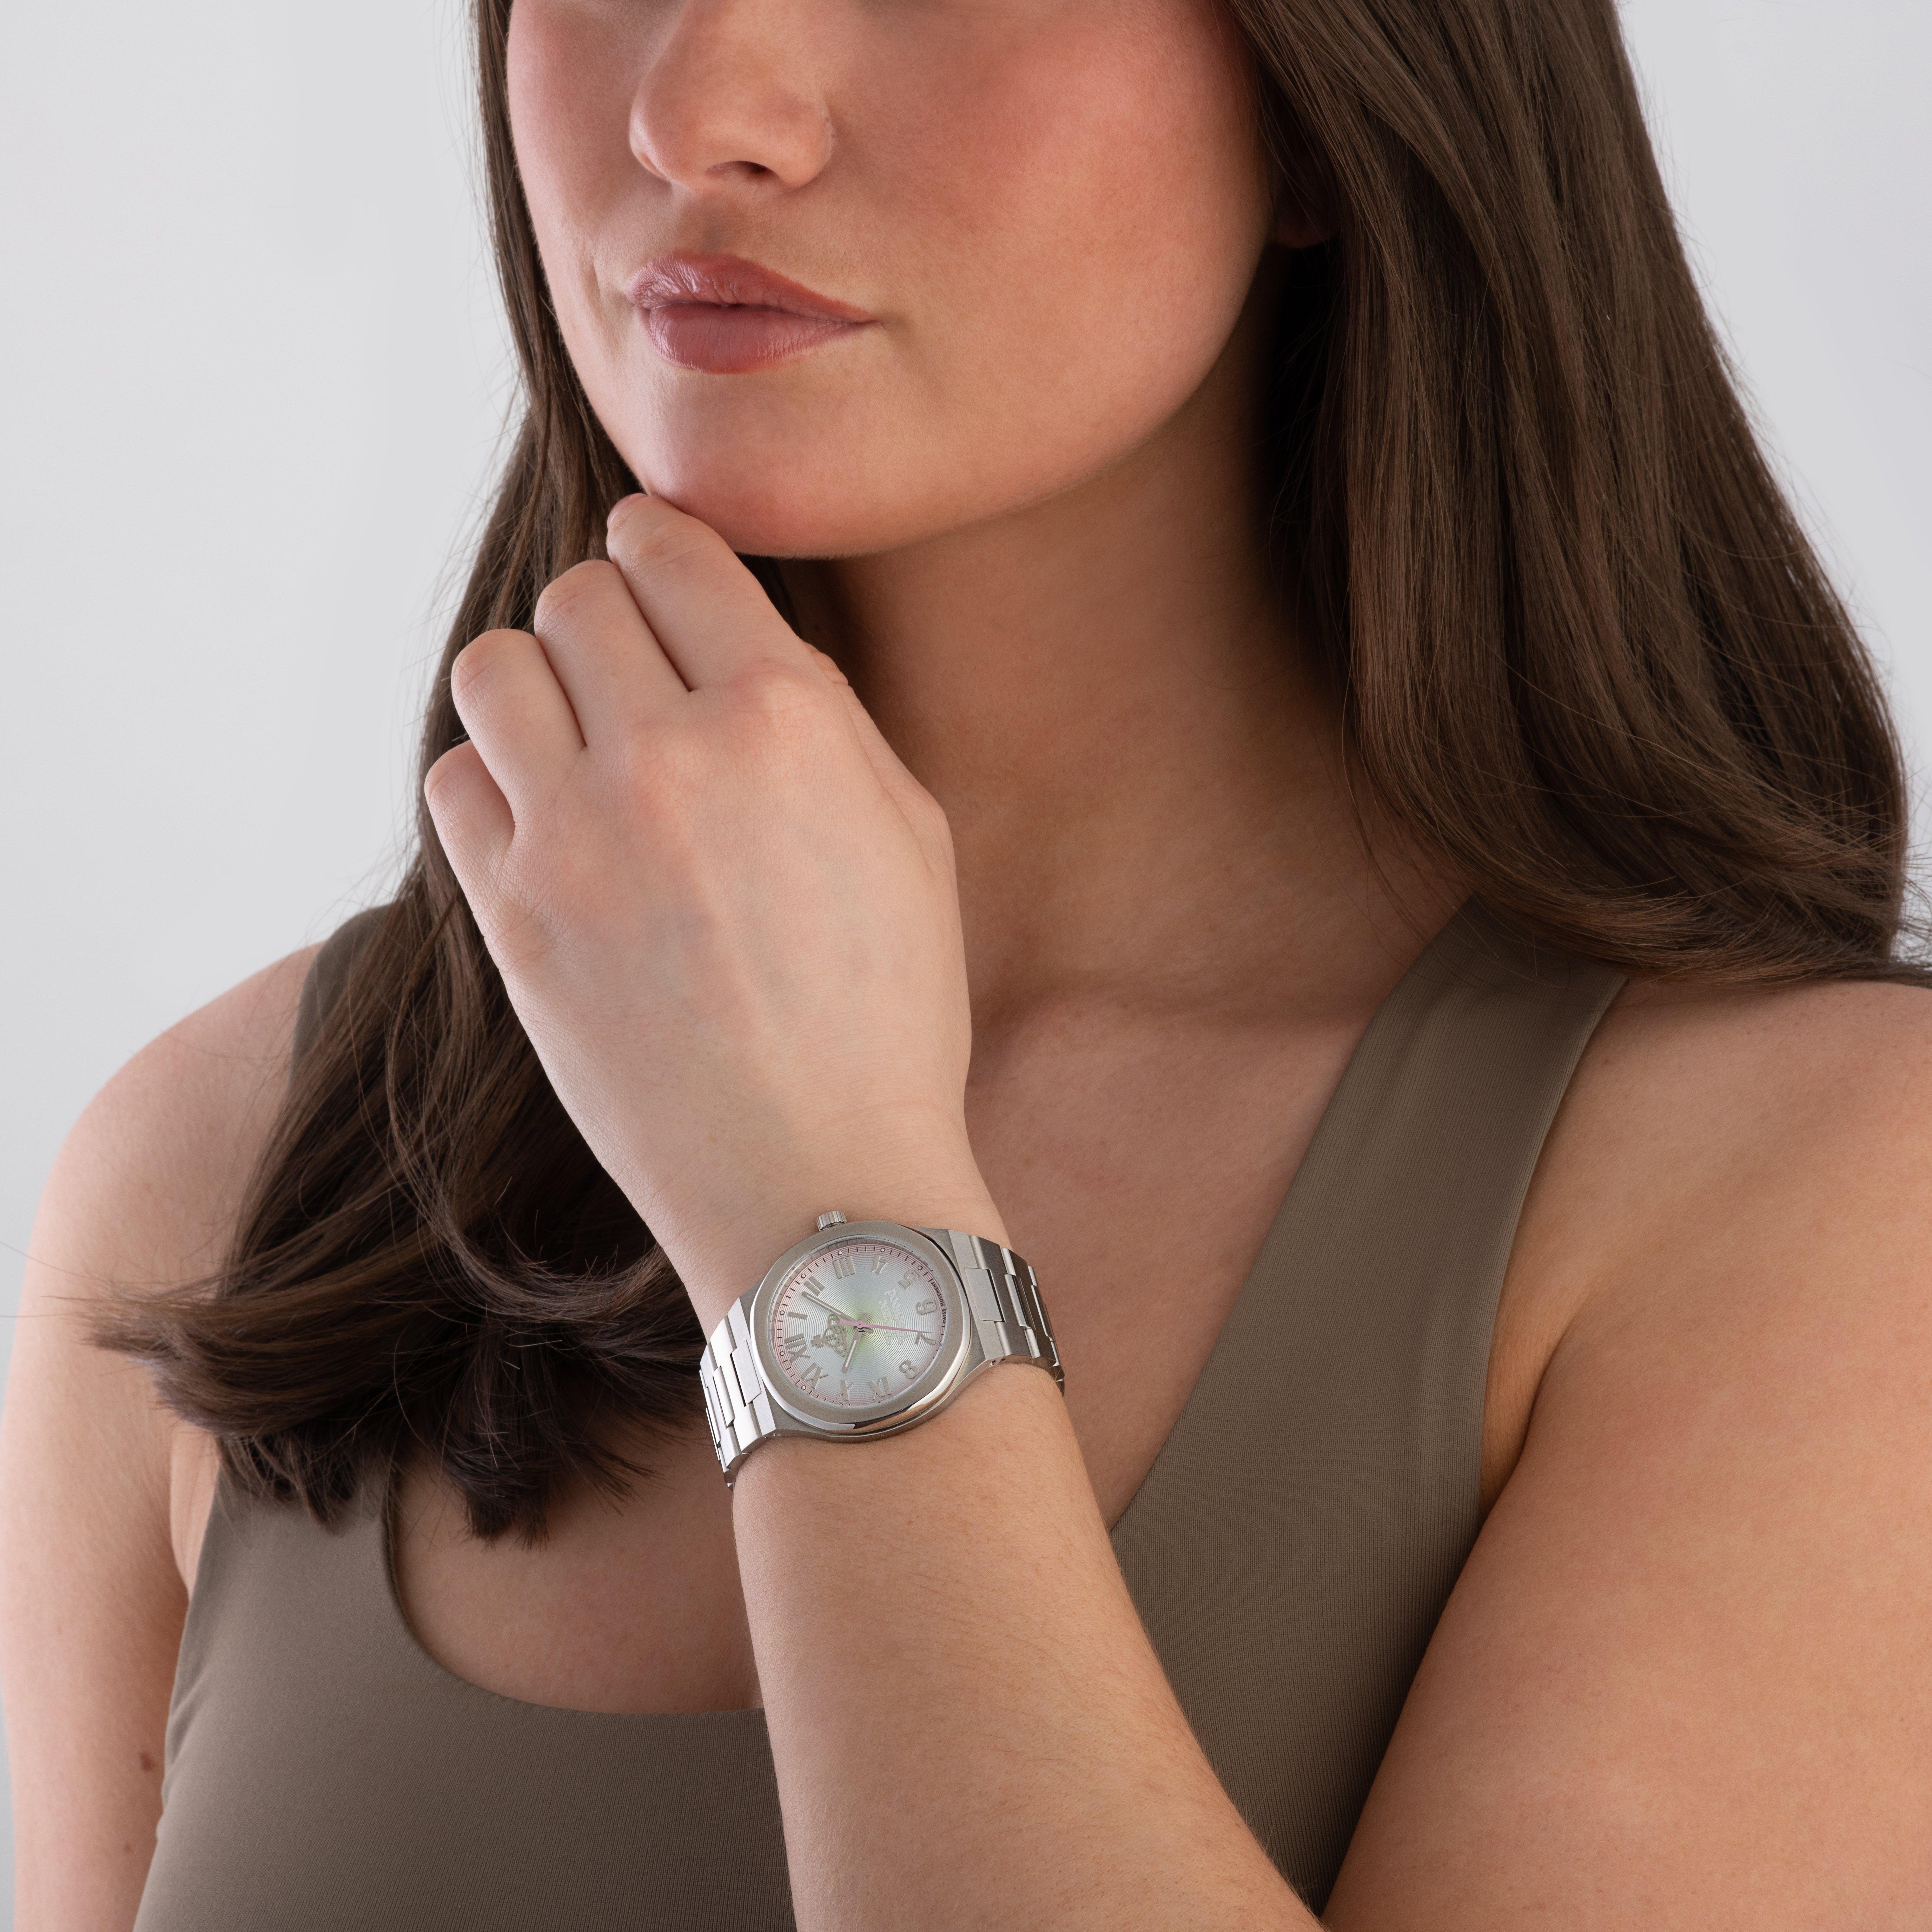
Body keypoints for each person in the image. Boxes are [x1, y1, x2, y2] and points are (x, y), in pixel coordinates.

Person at [4, 0, 1928, 1925]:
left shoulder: (1815, 1201)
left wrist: (823, 1217)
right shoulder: (212, 1184)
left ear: (1335, 97)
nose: (698, 111)